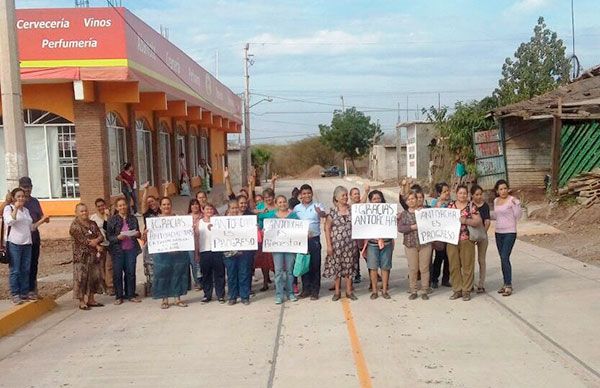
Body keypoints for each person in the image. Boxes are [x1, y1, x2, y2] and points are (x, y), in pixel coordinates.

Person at [3, 188, 48, 304]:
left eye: (22, 196)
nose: (21, 198)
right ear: (13, 198)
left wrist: (42, 221)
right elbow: (9, 222)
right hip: (14, 243)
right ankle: (15, 293)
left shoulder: (26, 211)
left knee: (25, 269)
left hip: (27, 243)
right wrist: (16, 208)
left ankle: (24, 292)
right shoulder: (9, 209)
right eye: (18, 196)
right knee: (15, 270)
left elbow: (31, 227)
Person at [151, 197, 190, 309]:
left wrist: (189, 230)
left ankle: (177, 298)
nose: (166, 206)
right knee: (163, 274)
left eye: (168, 204)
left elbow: (184, 233)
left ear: (171, 206)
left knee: (177, 273)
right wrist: (148, 233)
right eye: (164, 204)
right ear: (160, 206)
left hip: (177, 252)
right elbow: (150, 237)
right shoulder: (155, 221)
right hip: (162, 254)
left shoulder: (177, 219)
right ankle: (164, 299)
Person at [260, 195, 299, 304]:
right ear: (276, 204)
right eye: (280, 202)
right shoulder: (272, 216)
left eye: (284, 202)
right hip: (277, 248)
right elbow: (261, 220)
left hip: (290, 247)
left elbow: (300, 228)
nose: (282, 204)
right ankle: (279, 294)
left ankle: (290, 293)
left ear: (287, 203)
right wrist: (264, 230)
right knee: (278, 272)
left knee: (290, 271)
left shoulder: (293, 215)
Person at [447, 185, 482, 301]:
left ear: (467, 194)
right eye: (460, 193)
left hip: (467, 239)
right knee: (454, 265)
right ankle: (457, 290)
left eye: (464, 193)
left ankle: (466, 290)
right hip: (452, 240)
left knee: (467, 265)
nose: (462, 195)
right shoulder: (450, 206)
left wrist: (465, 220)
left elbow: (478, 221)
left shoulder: (471, 206)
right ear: (456, 194)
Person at [324, 186, 358, 301]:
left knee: (349, 268)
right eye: (343, 195)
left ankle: (349, 291)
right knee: (337, 269)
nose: (346, 197)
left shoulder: (352, 210)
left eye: (346, 195)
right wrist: (329, 245)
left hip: (350, 246)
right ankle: (337, 292)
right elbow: (327, 228)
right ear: (336, 198)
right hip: (336, 246)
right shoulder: (332, 213)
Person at [293, 184, 327, 300]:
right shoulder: (297, 208)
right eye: (304, 194)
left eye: (309, 193)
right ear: (300, 196)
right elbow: (292, 222)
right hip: (301, 240)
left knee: (314, 265)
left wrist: (320, 213)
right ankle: (305, 289)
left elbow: (324, 215)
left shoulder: (318, 205)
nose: (306, 195)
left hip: (314, 240)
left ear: (312, 194)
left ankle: (315, 291)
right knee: (304, 264)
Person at [107, 197, 142, 305]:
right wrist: (118, 237)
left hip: (131, 249)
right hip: (118, 251)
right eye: (120, 205)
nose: (122, 207)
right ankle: (119, 296)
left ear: (127, 206)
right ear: (117, 208)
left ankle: (130, 294)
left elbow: (138, 233)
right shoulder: (112, 220)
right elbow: (109, 237)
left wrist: (137, 234)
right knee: (117, 273)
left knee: (130, 272)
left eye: (124, 205)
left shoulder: (133, 219)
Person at [397, 191, 432, 300]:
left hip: (425, 243)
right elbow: (400, 228)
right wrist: (412, 227)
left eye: (413, 198)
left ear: (417, 199)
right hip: (410, 244)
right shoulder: (403, 214)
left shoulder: (425, 212)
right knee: (413, 268)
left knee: (424, 268)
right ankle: (413, 290)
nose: (411, 201)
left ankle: (425, 290)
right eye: (409, 199)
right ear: (406, 202)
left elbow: (433, 223)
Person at [69, 203, 104, 310]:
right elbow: (83, 240)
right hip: (81, 257)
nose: (84, 213)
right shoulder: (75, 226)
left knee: (94, 277)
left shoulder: (92, 223)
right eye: (81, 211)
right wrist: (97, 245)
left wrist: (97, 241)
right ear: (76, 212)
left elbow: (100, 235)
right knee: (81, 279)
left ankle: (91, 299)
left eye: (85, 210)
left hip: (93, 256)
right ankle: (82, 301)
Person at [19, 176, 48, 297]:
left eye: (29, 187)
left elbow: (40, 216)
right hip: (21, 239)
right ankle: (21, 291)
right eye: (24, 188)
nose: (27, 190)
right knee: (22, 265)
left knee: (33, 264)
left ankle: (32, 289)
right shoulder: (17, 202)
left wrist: (44, 219)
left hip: (34, 238)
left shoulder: (34, 201)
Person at [492, 179, 522, 297]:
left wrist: (517, 205)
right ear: (497, 191)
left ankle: (509, 285)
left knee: (505, 256)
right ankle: (505, 284)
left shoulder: (512, 201)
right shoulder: (496, 201)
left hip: (510, 232)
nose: (503, 191)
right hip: (498, 232)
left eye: (505, 188)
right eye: (501, 189)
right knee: (502, 258)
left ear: (508, 189)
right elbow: (496, 215)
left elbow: (518, 216)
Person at [222, 199, 252, 305]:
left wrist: (254, 228)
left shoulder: (246, 220)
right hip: (229, 253)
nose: (235, 210)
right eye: (232, 208)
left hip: (243, 252)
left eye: (236, 208)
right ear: (229, 209)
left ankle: (244, 296)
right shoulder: (223, 221)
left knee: (244, 274)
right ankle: (232, 296)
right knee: (231, 275)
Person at [365, 190, 393, 300]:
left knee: (385, 267)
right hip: (372, 244)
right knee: (373, 268)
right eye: (374, 199)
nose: (377, 201)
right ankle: (374, 291)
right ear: (370, 201)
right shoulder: (366, 212)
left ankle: (385, 290)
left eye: (378, 198)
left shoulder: (388, 211)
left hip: (386, 243)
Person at [198, 204, 226, 303]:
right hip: (204, 251)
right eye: (207, 209)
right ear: (203, 210)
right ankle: (207, 294)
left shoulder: (219, 221)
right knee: (206, 274)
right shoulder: (199, 223)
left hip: (217, 250)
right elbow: (196, 238)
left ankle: (220, 295)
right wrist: (197, 252)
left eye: (211, 209)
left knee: (219, 273)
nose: (209, 211)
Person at [90, 198, 114, 295]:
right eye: (98, 206)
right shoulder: (93, 218)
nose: (101, 208)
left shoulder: (110, 216)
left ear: (105, 205)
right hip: (100, 245)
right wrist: (96, 245)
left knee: (109, 266)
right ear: (96, 207)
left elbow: (110, 229)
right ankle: (102, 286)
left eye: (102, 205)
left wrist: (107, 217)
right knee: (100, 267)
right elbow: (91, 233)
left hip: (110, 244)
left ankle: (110, 286)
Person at [429, 182, 451, 288]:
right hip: (438, 235)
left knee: (448, 258)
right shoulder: (434, 203)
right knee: (439, 257)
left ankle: (446, 279)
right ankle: (434, 279)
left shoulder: (451, 203)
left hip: (449, 234)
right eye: (444, 191)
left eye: (448, 191)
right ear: (439, 193)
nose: (447, 193)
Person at [471, 184, 491, 293]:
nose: (479, 197)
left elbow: (487, 221)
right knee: (470, 260)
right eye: (476, 194)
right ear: (472, 195)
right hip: (471, 235)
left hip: (482, 235)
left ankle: (481, 283)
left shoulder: (485, 206)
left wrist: (483, 233)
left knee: (481, 260)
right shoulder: (469, 206)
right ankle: (470, 283)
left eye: (480, 194)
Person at [255, 188, 276, 291]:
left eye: (270, 196)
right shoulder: (260, 206)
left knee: (274, 260)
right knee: (264, 261)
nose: (268, 199)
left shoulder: (277, 207)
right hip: (263, 237)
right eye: (266, 197)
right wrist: (259, 211)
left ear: (273, 196)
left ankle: (278, 281)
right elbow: (252, 213)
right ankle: (265, 282)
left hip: (275, 237)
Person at [348, 184, 369, 285]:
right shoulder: (348, 207)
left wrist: (366, 192)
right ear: (350, 196)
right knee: (354, 256)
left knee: (366, 255)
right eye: (355, 194)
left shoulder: (360, 206)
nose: (357, 195)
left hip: (362, 234)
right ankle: (356, 274)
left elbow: (362, 202)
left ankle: (373, 271)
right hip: (352, 235)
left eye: (358, 193)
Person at [142, 195, 161, 295]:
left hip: (162, 242)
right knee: (151, 264)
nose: (151, 203)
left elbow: (165, 200)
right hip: (151, 242)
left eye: (152, 201)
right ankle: (154, 286)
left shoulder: (161, 213)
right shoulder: (147, 215)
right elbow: (143, 203)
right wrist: (145, 190)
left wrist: (166, 189)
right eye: (149, 202)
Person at [188, 199, 203, 291]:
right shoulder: (187, 218)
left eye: (196, 204)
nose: (195, 206)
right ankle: (197, 282)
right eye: (192, 204)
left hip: (202, 242)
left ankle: (204, 280)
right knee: (194, 263)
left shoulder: (203, 216)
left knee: (202, 263)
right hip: (191, 244)